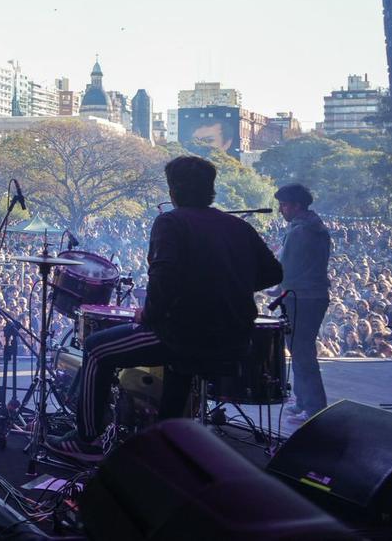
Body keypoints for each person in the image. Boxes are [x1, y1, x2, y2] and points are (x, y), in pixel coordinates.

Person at [50, 156, 283, 463]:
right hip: (236, 337)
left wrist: (147, 315)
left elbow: (165, 278)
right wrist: (229, 286)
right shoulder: (239, 226)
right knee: (178, 366)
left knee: (95, 349)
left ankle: (86, 440)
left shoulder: (171, 222)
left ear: (173, 191)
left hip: (184, 333)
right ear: (210, 190)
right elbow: (274, 273)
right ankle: (165, 447)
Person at [273, 183, 331, 422]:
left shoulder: (301, 232)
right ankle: (303, 400)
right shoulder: (313, 225)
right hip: (310, 295)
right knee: (300, 351)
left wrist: (277, 285)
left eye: (284, 205)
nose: (280, 210)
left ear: (297, 205)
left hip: (302, 297)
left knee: (302, 354)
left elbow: (289, 267)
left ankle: (314, 408)